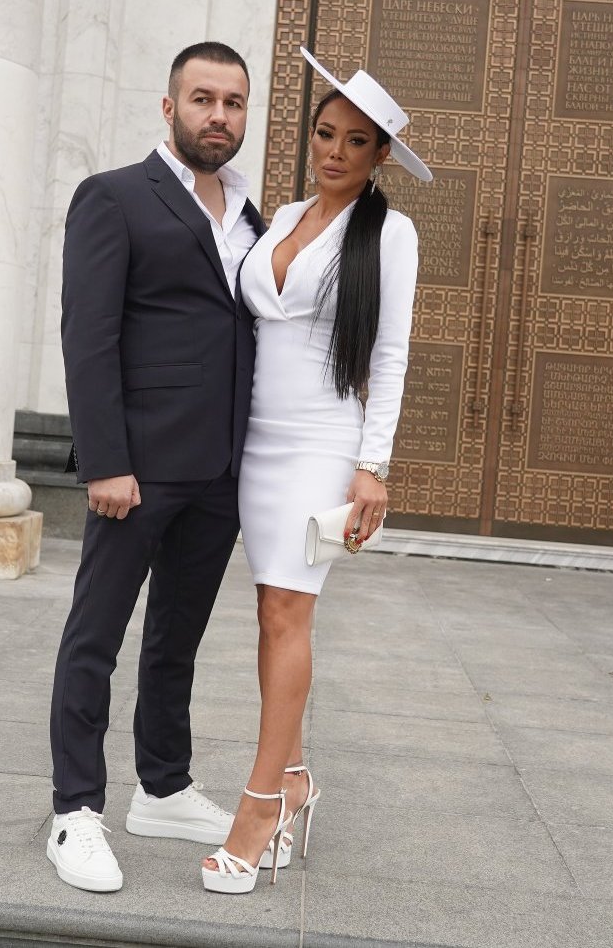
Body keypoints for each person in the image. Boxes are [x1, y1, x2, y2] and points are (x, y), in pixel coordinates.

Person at [201, 47, 432, 893]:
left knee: (288, 613)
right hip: (255, 441)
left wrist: (373, 466)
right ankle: (295, 779)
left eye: (356, 141)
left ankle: (260, 804)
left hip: (324, 445)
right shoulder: (285, 214)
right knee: (269, 614)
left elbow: (392, 353)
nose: (335, 150)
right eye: (326, 133)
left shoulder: (389, 234)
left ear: (380, 155)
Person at [48, 42, 267, 893]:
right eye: (203, 98)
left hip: (219, 469)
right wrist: (105, 459)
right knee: (96, 634)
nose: (219, 115)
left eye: (234, 102)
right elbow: (88, 334)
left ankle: (164, 787)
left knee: (179, 635)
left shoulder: (251, 217)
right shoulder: (114, 196)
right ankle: (75, 808)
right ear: (169, 106)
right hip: (136, 467)